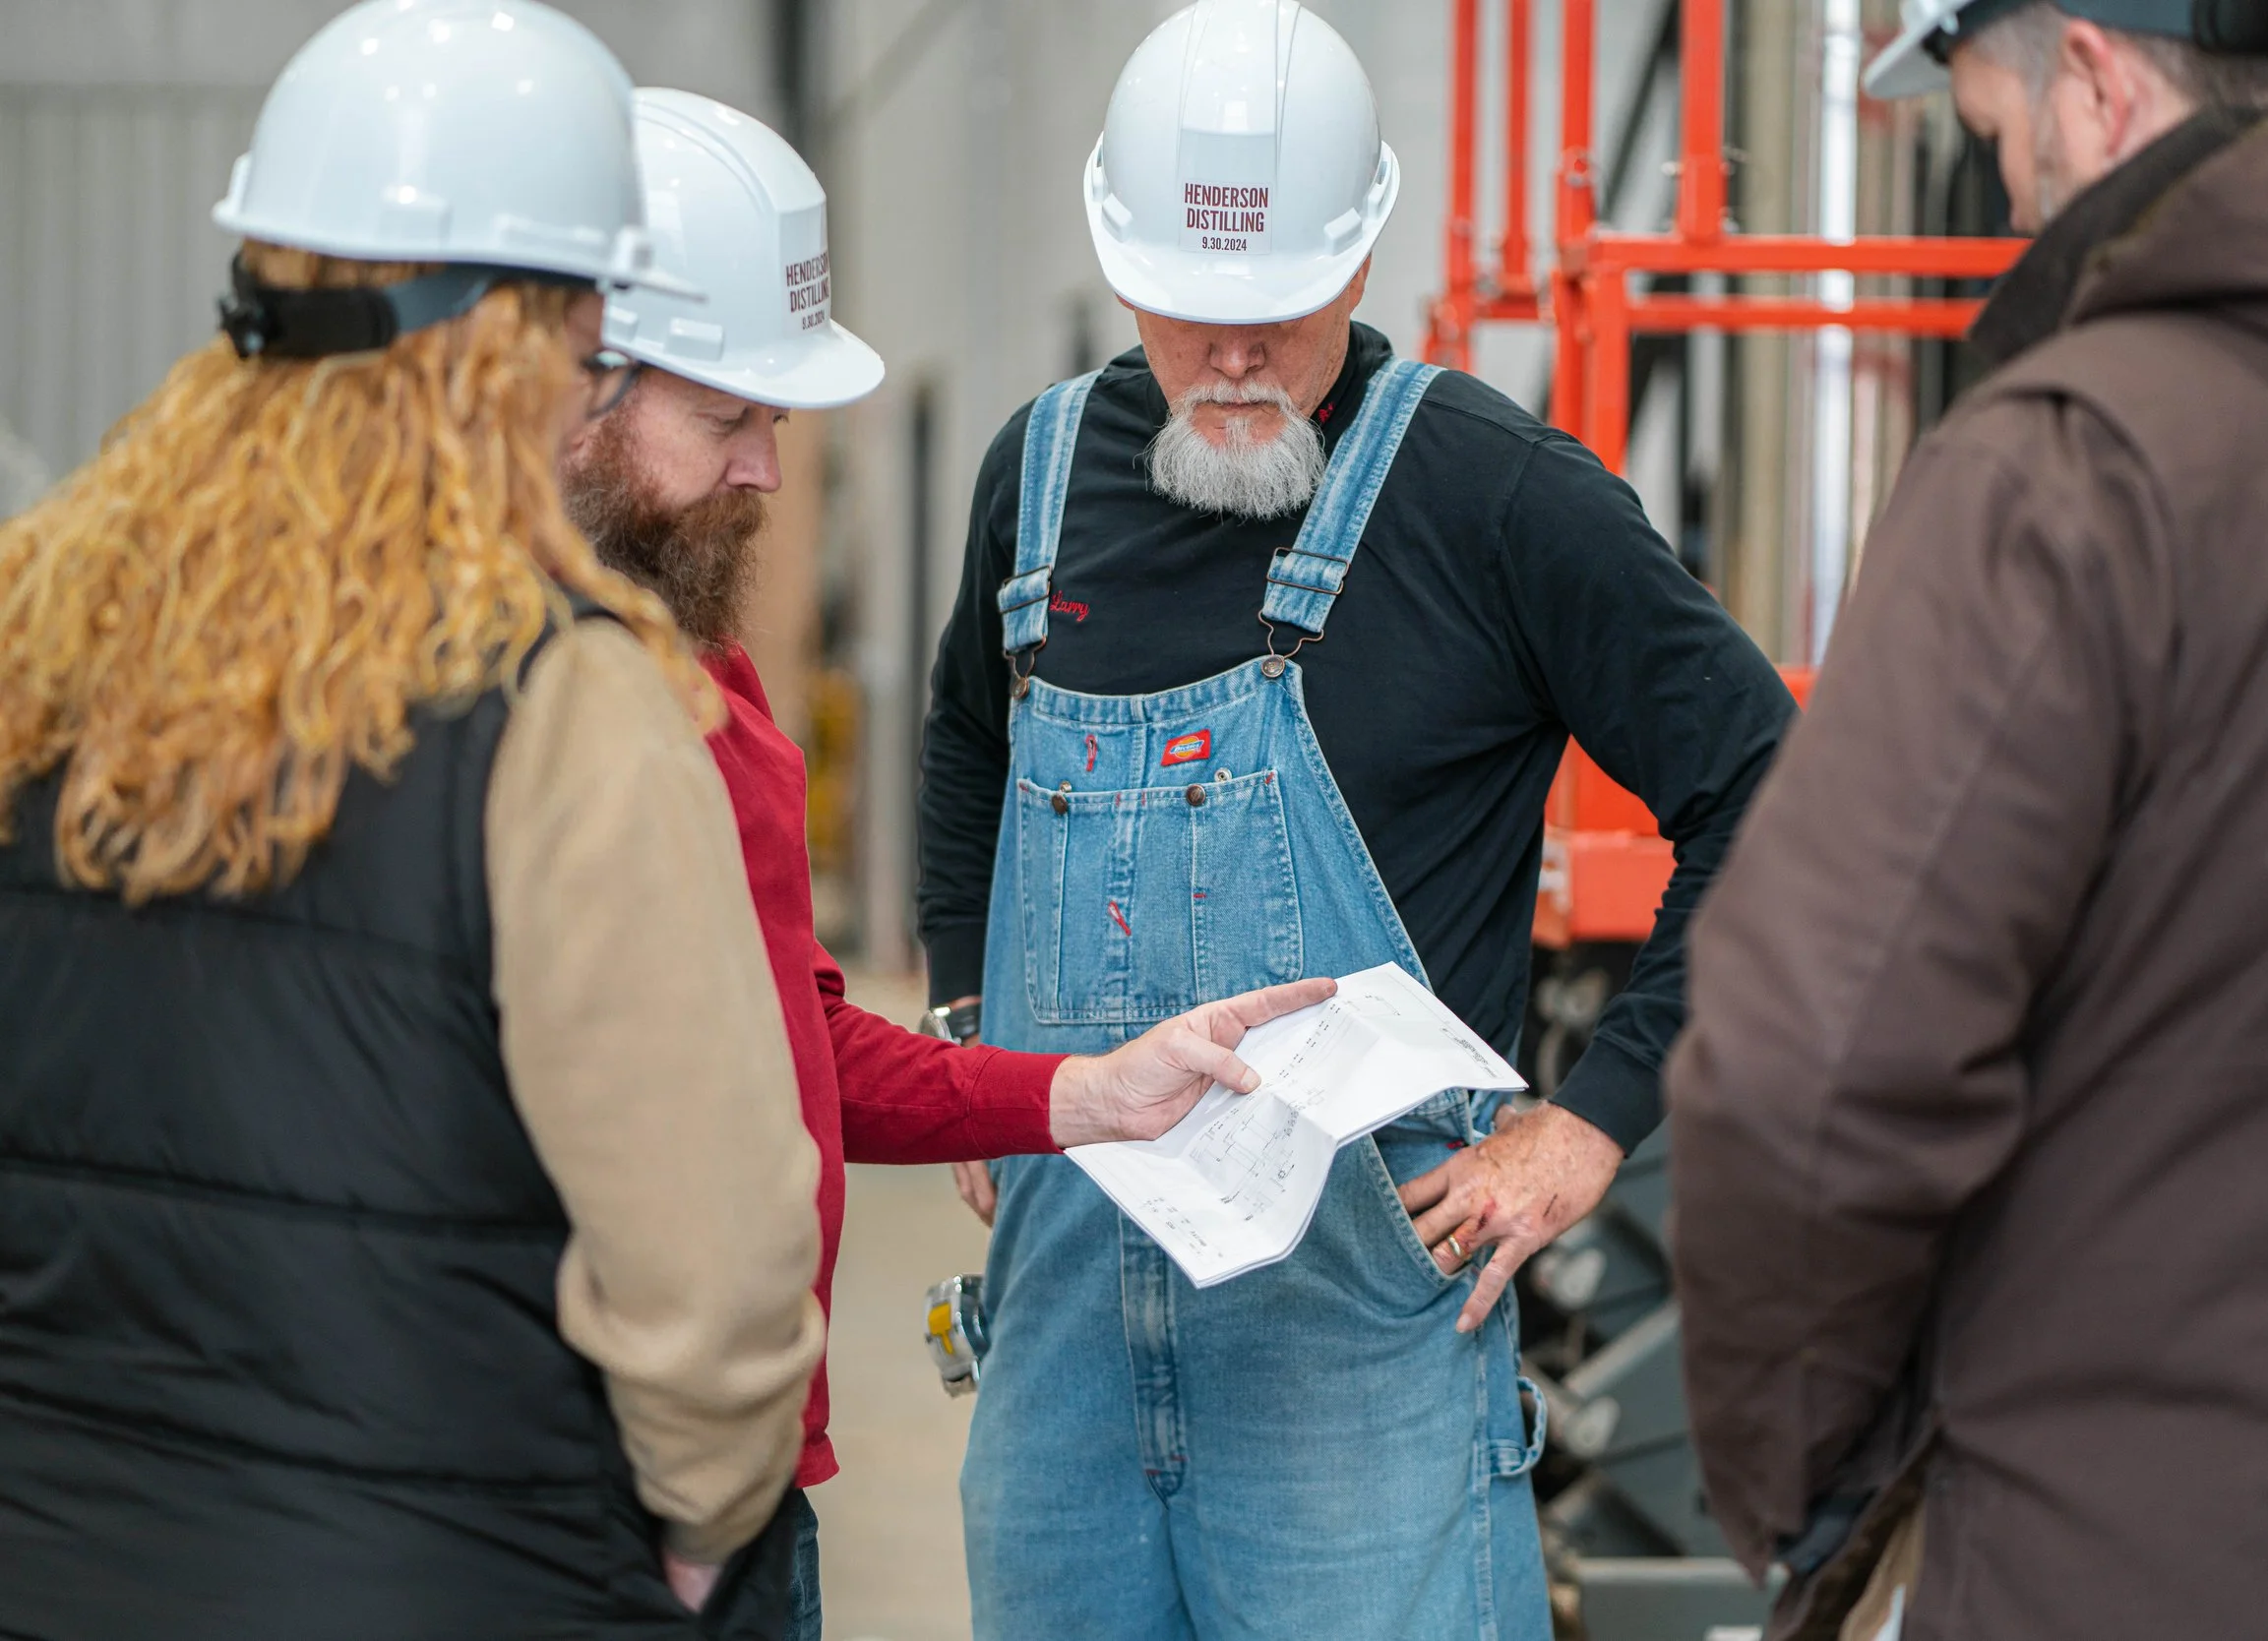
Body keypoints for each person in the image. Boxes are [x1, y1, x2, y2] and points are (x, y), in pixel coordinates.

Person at [915, 3, 1797, 1634]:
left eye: (1280, 314)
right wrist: (967, 1021)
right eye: (1192, 317)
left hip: (1356, 1363)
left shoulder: (1494, 498)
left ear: (1359, 258)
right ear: (1123, 265)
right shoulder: (1032, 478)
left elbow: (1770, 789)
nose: (1235, 359)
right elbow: (970, 742)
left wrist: (1595, 1119)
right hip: (1060, 1364)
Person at [0, 4, 824, 1635]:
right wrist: (691, 1523)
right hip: (451, 1570)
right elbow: (720, 1281)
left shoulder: (45, 626)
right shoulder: (563, 697)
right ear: (532, 342)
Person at [1667, 6, 2268, 1638]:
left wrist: (1802, 1484)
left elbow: (1810, 1076)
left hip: (2127, 1556)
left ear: (2097, 85)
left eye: (1998, 146)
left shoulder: (2075, 470)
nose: (2013, 207)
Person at [561, 89, 1337, 1641]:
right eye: (729, 420)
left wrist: (1077, 1091)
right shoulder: (461, 728)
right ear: (566, 394)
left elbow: (788, 1056)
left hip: (733, 1497)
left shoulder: (704, 684)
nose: (767, 474)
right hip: (563, 1507)